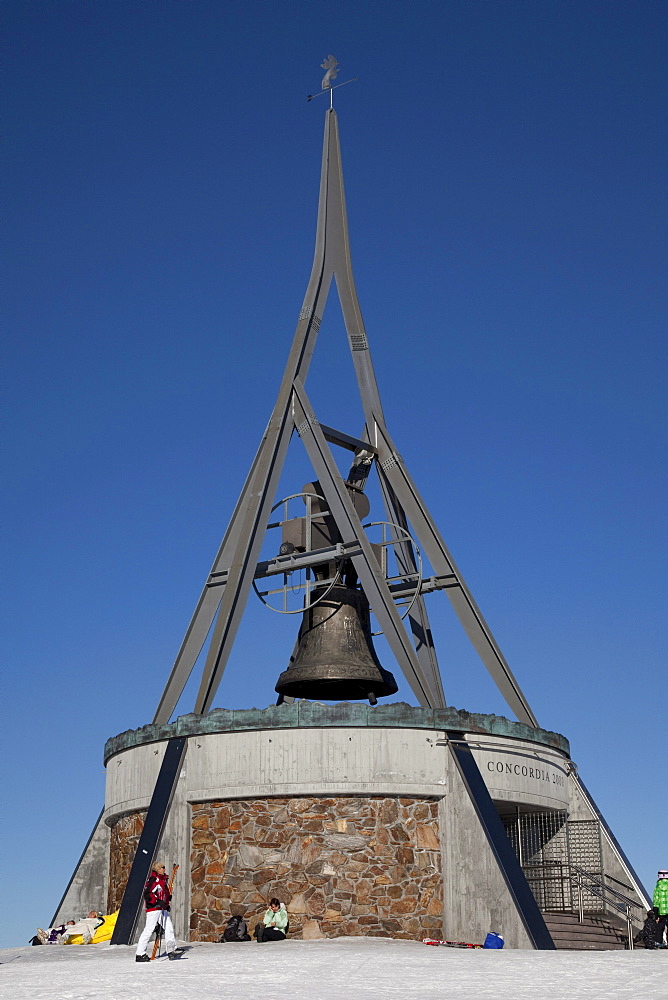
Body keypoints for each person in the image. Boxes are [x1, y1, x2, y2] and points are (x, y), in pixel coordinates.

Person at [135, 862, 178, 962]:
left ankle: (171, 950)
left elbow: (163, 894)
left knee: (169, 927)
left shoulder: (162, 880)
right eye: (162, 868)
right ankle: (140, 953)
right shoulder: (154, 880)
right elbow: (148, 893)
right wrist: (158, 902)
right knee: (149, 930)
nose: (164, 869)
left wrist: (166, 904)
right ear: (158, 869)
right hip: (154, 909)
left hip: (161, 909)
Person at [652, 869, 668, 945]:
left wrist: (656, 913)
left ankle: (658, 942)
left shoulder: (658, 886)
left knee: (660, 927)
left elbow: (656, 900)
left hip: (661, 911)